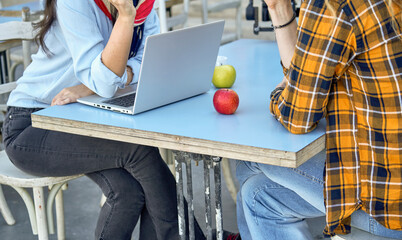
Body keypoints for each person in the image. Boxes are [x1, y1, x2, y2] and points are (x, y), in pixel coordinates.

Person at [2, 0, 208, 239]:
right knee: (139, 148)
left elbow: (150, 62)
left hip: (79, 117)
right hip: (32, 125)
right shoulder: (74, 3)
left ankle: (184, 234)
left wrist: (94, 84)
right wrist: (125, 17)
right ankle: (186, 236)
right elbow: (105, 83)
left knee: (128, 191)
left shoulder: (142, 5)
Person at [236, 0, 402, 239]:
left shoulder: (334, 6)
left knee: (250, 158)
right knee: (257, 193)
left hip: (388, 206)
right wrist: (277, 7)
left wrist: (279, 95)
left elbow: (297, 117)